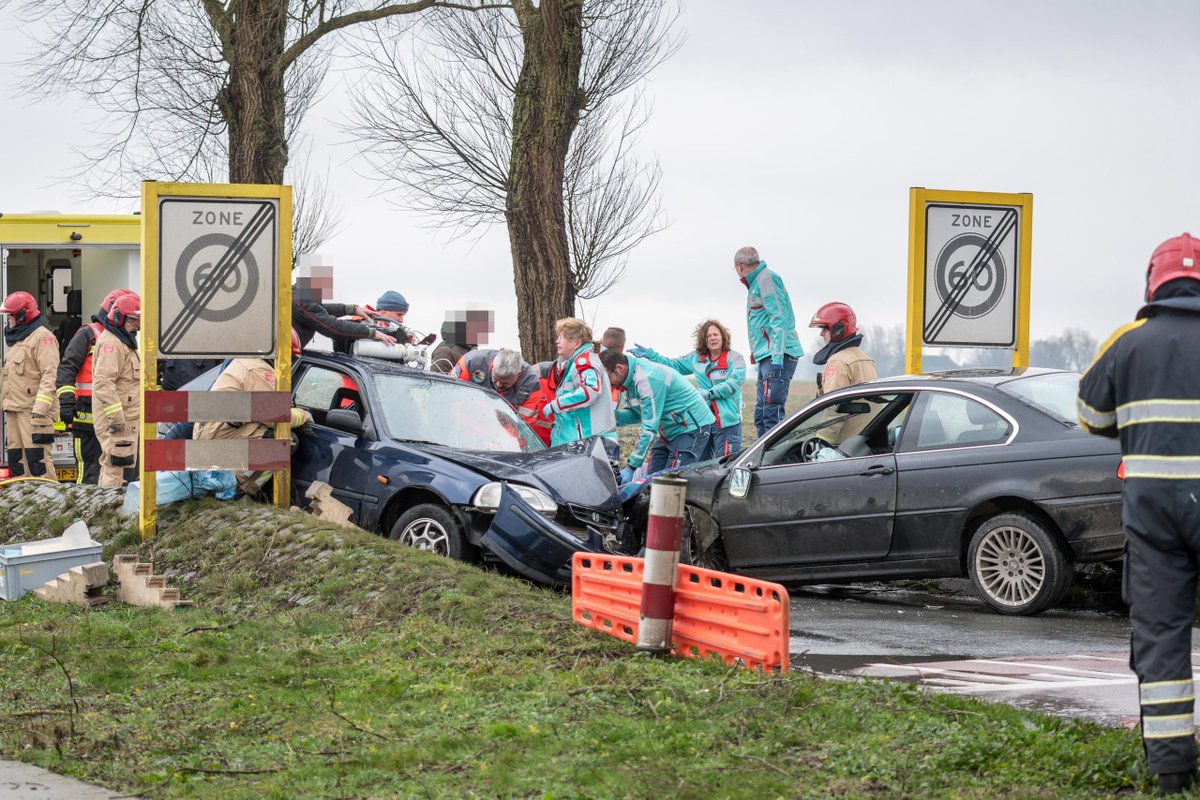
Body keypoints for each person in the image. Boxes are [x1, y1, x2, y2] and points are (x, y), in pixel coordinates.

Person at [1077, 232, 1200, 795]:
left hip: (1155, 520)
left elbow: (1090, 416)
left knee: (1162, 634)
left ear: (1153, 281)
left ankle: (1172, 771)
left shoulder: (1128, 340)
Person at [630, 319, 746, 459]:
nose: (712, 338)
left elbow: (733, 384)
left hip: (727, 421)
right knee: (701, 465)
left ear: (723, 336)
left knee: (726, 462)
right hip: (704, 421)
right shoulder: (696, 358)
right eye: (708, 336)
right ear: (704, 340)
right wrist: (650, 355)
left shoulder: (735, 358)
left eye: (715, 334)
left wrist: (709, 394)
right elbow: (673, 365)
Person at [55, 288, 134, 484]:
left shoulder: (124, 340)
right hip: (86, 415)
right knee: (90, 470)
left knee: (114, 469)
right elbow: (66, 367)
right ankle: (85, 511)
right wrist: (66, 402)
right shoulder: (88, 334)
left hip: (112, 416)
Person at [600, 349, 715, 482]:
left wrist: (632, 466)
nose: (607, 384)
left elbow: (649, 427)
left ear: (619, 368)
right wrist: (609, 418)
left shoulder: (647, 378)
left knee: (670, 481)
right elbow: (638, 414)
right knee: (651, 480)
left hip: (692, 428)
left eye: (606, 378)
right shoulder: (627, 382)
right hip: (671, 431)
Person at [734, 245, 803, 437]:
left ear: (739, 266)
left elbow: (778, 317)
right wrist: (757, 352)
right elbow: (761, 321)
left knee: (772, 414)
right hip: (767, 354)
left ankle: (776, 462)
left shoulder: (766, 279)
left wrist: (777, 356)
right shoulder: (757, 282)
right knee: (761, 414)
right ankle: (761, 458)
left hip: (777, 355)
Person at [0, 291, 60, 478]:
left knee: (38, 462)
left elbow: (50, 375)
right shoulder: (19, 339)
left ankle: (50, 504)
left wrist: (40, 409)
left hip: (34, 414)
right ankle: (24, 504)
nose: (8, 320)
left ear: (22, 315)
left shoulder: (43, 338)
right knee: (18, 462)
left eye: (11, 315)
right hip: (14, 409)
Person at [541, 318, 617, 451]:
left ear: (577, 343)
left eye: (562, 337)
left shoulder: (584, 362)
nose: (557, 341)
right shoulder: (579, 361)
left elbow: (590, 392)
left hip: (588, 443)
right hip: (584, 442)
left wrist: (556, 405)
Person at [91, 293, 141, 488]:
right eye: (134, 320)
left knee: (119, 465)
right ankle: (112, 510)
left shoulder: (122, 342)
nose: (137, 326)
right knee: (115, 466)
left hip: (126, 418)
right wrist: (116, 417)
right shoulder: (112, 344)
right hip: (118, 420)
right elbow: (104, 383)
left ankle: (114, 510)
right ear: (121, 319)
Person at [450, 347, 547, 441]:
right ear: (492, 366)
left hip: (500, 434)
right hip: (464, 423)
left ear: (518, 375)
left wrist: (505, 440)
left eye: (505, 383)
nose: (498, 385)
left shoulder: (531, 385)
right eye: (495, 379)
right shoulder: (470, 363)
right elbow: (450, 395)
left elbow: (523, 426)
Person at [291, 265, 396, 348]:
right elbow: (332, 327)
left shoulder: (298, 296)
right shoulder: (301, 302)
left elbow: (320, 310)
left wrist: (353, 309)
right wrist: (371, 333)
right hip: (283, 359)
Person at [809, 302, 877, 396]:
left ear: (838, 329)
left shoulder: (838, 361)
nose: (821, 334)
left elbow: (830, 403)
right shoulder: (867, 358)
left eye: (824, 329)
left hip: (849, 412)